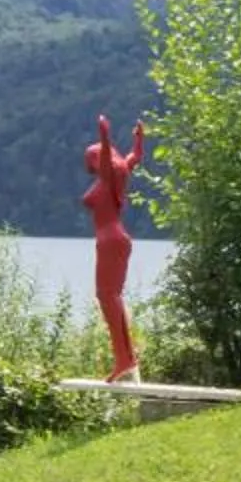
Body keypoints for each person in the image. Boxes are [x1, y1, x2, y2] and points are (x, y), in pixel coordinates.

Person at [82, 115, 148, 381]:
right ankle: (126, 358)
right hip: (115, 239)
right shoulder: (118, 175)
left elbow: (112, 157)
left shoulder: (109, 178)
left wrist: (105, 135)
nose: (88, 165)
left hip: (110, 240)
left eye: (90, 159)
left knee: (108, 297)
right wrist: (139, 139)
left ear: (99, 159)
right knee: (111, 297)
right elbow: (134, 157)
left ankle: (124, 359)